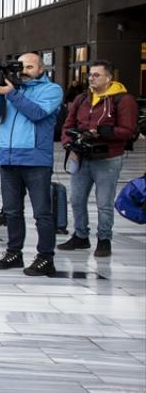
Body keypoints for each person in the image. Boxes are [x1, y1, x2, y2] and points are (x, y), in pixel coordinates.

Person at [0, 52, 64, 276]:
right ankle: (14, 252)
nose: (24, 71)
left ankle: (45, 257)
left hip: (36, 159)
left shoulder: (51, 90)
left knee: (42, 213)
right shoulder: (12, 89)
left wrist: (11, 93)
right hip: (8, 158)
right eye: (21, 67)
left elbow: (37, 113)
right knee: (11, 211)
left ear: (41, 69)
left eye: (30, 67)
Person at [58, 60, 137, 257]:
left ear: (108, 78)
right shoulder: (82, 98)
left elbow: (128, 131)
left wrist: (102, 131)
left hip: (107, 157)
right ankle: (80, 235)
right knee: (76, 199)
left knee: (104, 202)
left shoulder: (123, 100)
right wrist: (69, 143)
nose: (91, 78)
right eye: (90, 75)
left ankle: (104, 239)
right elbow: (68, 125)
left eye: (96, 75)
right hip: (81, 156)